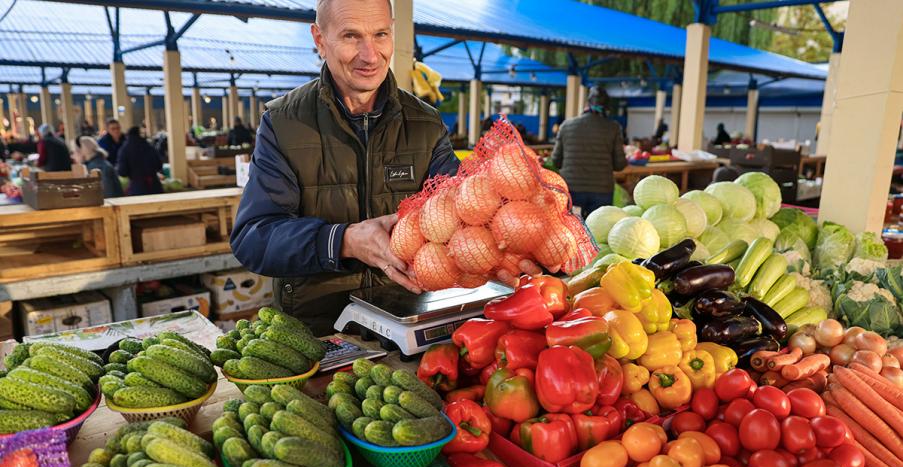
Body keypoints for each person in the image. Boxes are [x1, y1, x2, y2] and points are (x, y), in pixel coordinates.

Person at [233, 0, 531, 335]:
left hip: (406, 321)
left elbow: (460, 215)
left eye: (381, 34)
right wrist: (343, 240)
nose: (370, 55)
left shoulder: (425, 123)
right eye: (350, 36)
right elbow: (253, 238)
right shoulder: (284, 122)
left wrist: (502, 246)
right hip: (318, 334)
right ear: (319, 39)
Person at [550, 85, 627, 217]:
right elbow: (619, 165)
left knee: (572, 229)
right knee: (597, 231)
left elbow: (556, 161)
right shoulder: (613, 128)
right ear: (607, 107)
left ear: (586, 103)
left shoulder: (566, 125)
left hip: (572, 190)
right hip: (602, 191)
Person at [117, 126, 163, 196]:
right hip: (154, 186)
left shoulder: (125, 149)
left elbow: (122, 172)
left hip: (137, 188)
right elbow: (159, 165)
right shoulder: (148, 146)